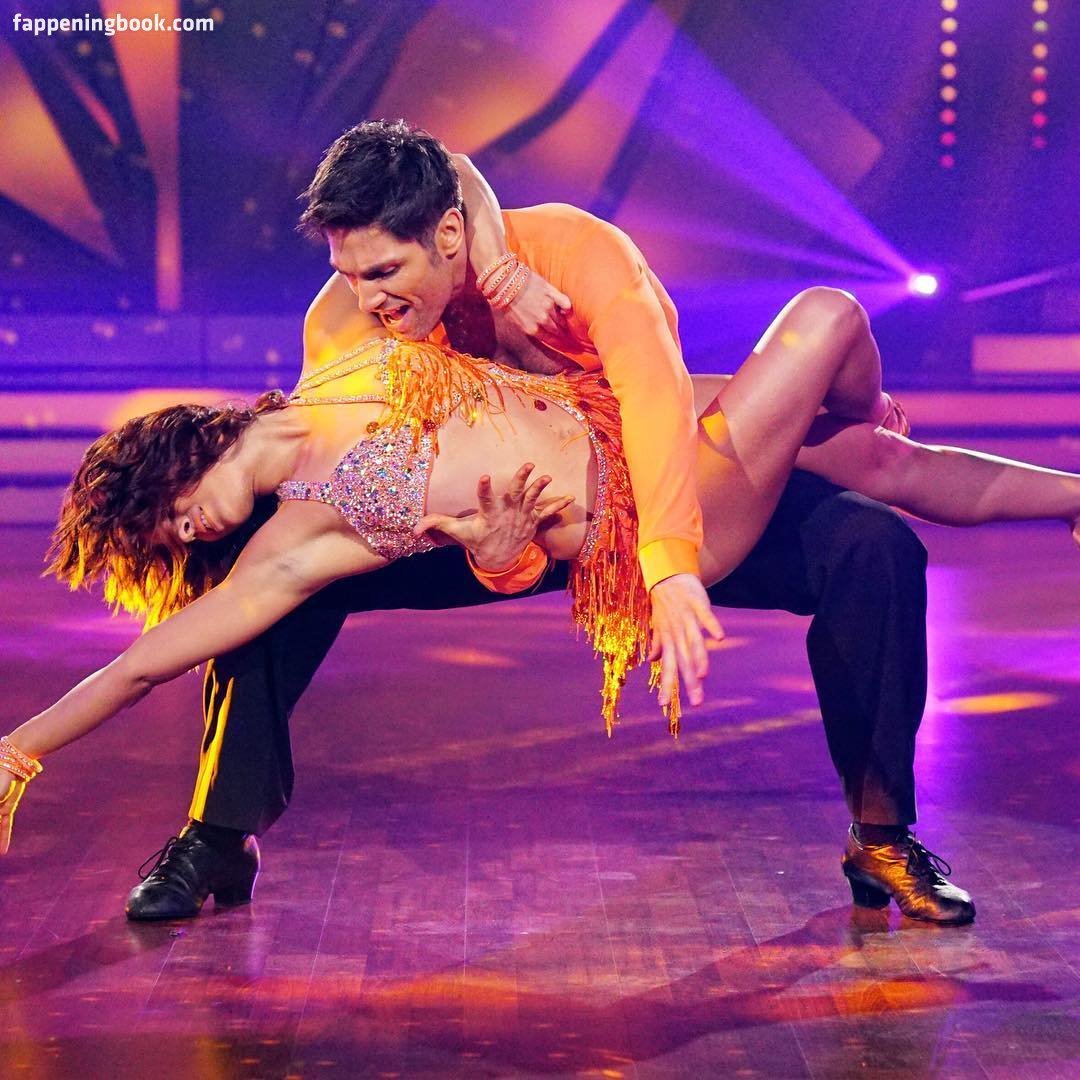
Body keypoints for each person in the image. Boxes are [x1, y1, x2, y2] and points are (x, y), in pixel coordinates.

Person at [3, 283, 1079, 932]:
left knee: (880, 503)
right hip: (612, 522)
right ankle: (216, 834)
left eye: (172, 513)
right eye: (173, 538)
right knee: (830, 321)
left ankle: (884, 834)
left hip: (635, 433)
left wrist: (510, 270)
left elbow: (448, 203)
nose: (187, 532)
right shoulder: (290, 542)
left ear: (177, 452)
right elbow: (144, 661)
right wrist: (19, 750)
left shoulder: (354, 325)